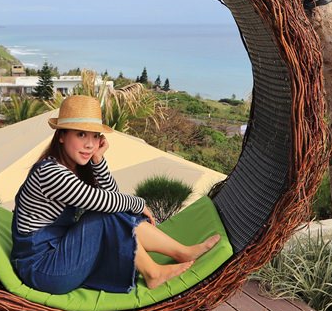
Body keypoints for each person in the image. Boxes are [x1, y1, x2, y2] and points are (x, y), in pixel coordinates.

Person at [11, 94, 220, 295]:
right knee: (106, 213)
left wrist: (98, 160)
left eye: (95, 136)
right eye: (81, 134)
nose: (90, 144)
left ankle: (180, 252)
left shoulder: (71, 168)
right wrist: (139, 204)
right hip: (43, 269)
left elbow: (112, 197)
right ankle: (154, 272)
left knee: (111, 212)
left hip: (60, 255)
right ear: (62, 136)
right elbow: (105, 202)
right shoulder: (50, 172)